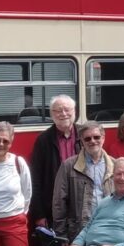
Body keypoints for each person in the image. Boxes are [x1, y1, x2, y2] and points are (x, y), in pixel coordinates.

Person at [51, 121, 115, 241]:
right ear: (81, 141)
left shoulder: (115, 165)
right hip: (79, 232)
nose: (92, 141)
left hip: (109, 229)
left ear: (103, 138)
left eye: (96, 137)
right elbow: (59, 202)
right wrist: (61, 234)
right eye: (87, 138)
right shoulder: (68, 166)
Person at [28, 95, 79, 230]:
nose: (63, 114)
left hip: (81, 203)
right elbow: (35, 179)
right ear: (51, 114)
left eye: (67, 109)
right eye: (58, 111)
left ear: (74, 111)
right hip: (53, 205)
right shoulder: (43, 140)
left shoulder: (85, 136)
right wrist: (39, 214)